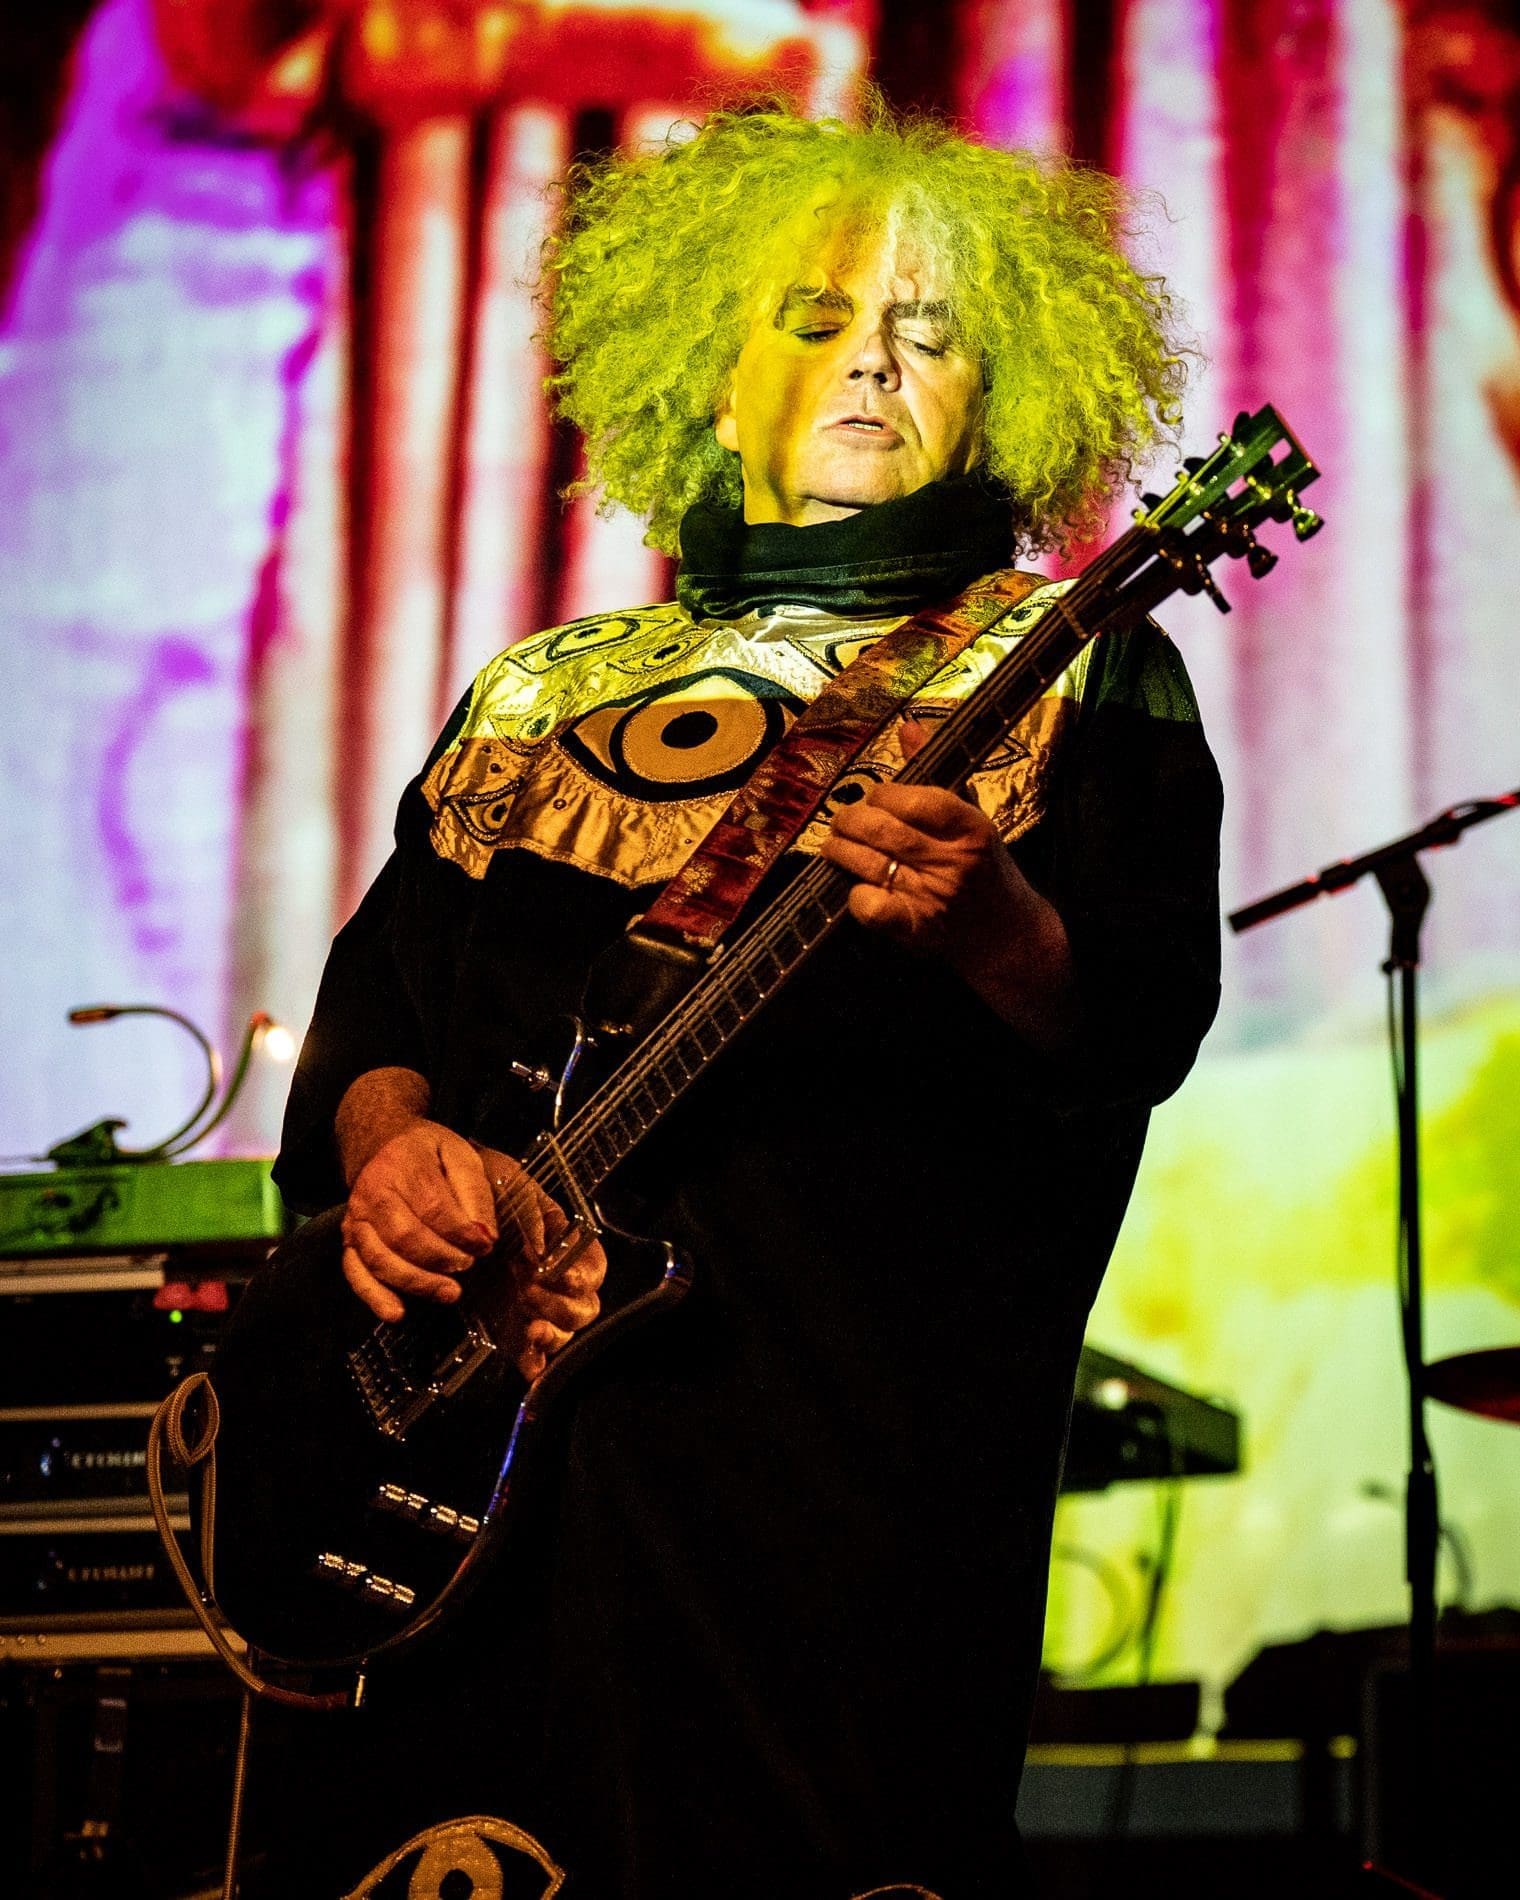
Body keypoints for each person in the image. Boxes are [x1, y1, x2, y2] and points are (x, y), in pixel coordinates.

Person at [264, 99, 1222, 1900]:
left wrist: (994, 920)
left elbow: (1141, 1022)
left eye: (931, 333)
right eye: (815, 321)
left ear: (994, 396)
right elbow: (377, 1006)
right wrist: (391, 1155)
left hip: (827, 1464)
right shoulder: (539, 689)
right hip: (467, 1459)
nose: (874, 358)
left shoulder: (1078, 671)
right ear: (712, 377)